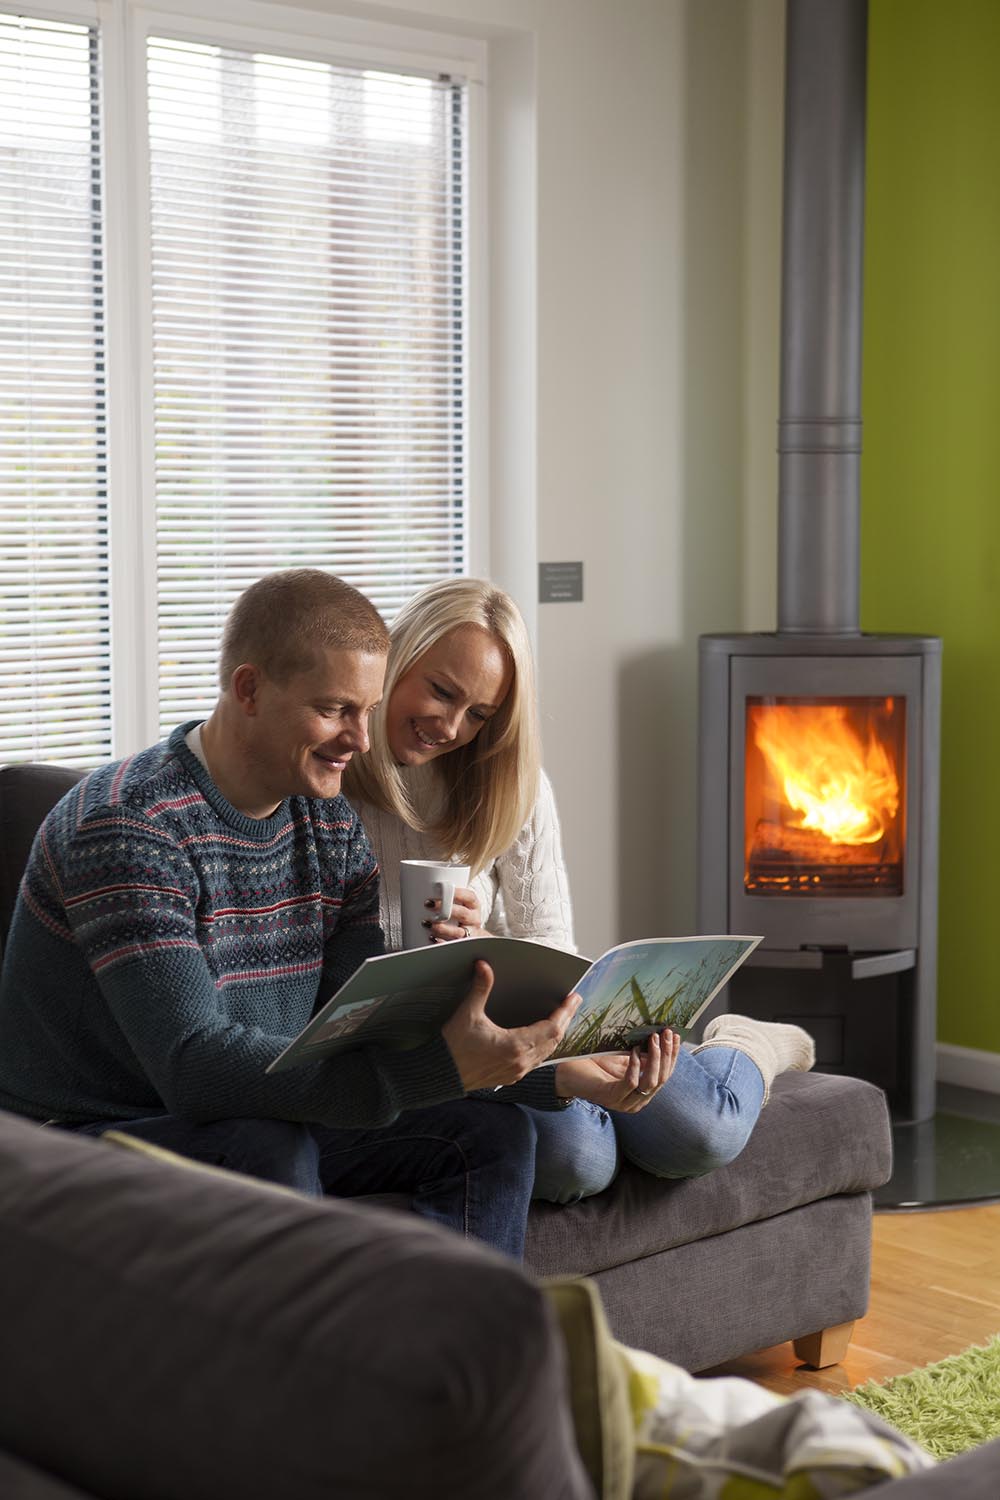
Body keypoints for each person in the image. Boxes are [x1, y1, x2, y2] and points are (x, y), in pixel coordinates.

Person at [0, 569, 582, 1259]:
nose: (361, 741)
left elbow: (363, 1022)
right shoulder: (129, 826)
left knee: (488, 1138)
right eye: (336, 710)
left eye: (368, 711)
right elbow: (195, 1067)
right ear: (248, 690)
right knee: (270, 1148)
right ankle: (318, 1334)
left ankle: (447, 1331)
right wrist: (439, 1069)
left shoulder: (327, 824)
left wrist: (546, 1069)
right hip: (78, 1144)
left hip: (248, 1110)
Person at [345, 576, 816, 1204]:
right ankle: (597, 1105)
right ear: (398, 657)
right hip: (450, 1053)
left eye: (479, 714)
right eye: (441, 691)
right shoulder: (330, 775)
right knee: (577, 1160)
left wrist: (481, 946)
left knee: (702, 1133)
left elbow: (550, 948)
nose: (451, 726)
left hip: (531, 1025)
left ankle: (747, 1043)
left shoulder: (506, 783)